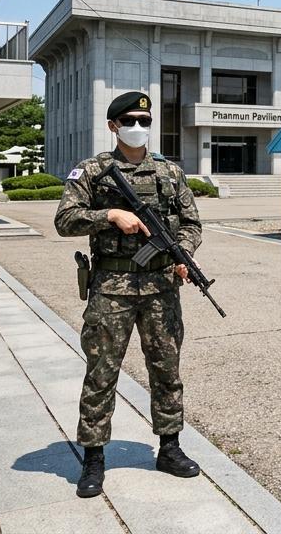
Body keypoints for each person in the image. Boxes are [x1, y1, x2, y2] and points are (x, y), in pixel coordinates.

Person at [54, 91, 204, 499]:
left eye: (145, 120)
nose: (138, 127)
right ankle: (94, 457)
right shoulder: (92, 170)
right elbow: (64, 220)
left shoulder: (170, 173)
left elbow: (191, 223)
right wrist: (109, 216)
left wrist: (183, 255)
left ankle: (169, 448)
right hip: (111, 290)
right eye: (130, 120)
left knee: (167, 369)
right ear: (113, 125)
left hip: (160, 289)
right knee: (102, 373)